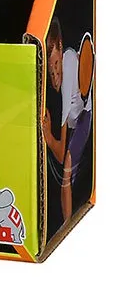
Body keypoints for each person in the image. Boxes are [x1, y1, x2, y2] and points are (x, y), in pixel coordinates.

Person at [43, 17, 93, 223]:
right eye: (50, 71)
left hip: (84, 117)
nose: (55, 76)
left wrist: (48, 136)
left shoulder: (69, 66)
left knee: (66, 169)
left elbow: (60, 152)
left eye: (56, 65)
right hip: (76, 118)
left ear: (60, 47)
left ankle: (67, 225)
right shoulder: (69, 55)